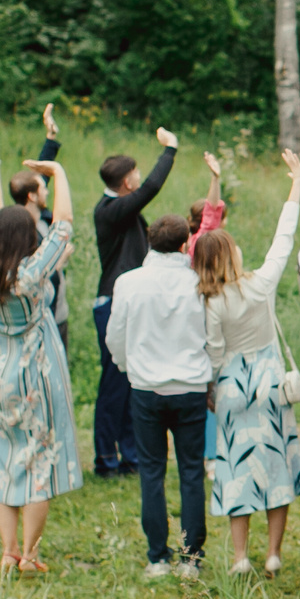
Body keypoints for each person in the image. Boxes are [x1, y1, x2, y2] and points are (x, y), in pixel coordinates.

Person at [193, 149, 300, 575]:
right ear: (231, 256)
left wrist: (213, 386)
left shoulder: (210, 303)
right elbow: (284, 237)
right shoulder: (261, 285)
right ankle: (274, 553)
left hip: (231, 384)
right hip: (269, 381)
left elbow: (213, 352)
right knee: (275, 465)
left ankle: (241, 557)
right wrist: (295, 184)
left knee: (236, 468)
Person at [0, 133, 81, 574]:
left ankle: (8, 549)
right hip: (35, 371)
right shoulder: (30, 274)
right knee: (39, 462)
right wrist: (61, 174)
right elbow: (66, 224)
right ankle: (30, 555)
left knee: (2, 456)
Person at [108, 212, 209, 580]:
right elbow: (209, 335)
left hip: (147, 387)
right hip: (190, 387)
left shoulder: (129, 282)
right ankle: (191, 558)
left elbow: (115, 336)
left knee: (151, 471)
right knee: (191, 473)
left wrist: (128, 366)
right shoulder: (198, 281)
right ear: (185, 244)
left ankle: (157, 556)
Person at [91, 126, 179, 477]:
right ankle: (105, 459)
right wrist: (170, 150)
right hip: (112, 303)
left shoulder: (120, 209)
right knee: (113, 385)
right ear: (127, 182)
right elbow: (151, 188)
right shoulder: (110, 210)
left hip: (128, 301)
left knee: (130, 384)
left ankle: (131, 456)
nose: (140, 178)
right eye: (135, 174)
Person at [5, 104, 67, 346]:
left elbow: (40, 175)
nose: (47, 191)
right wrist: (56, 263)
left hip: (58, 310)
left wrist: (50, 138)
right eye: (43, 188)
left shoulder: (41, 217)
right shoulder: (20, 233)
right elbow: (27, 278)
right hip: (40, 317)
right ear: (31, 196)